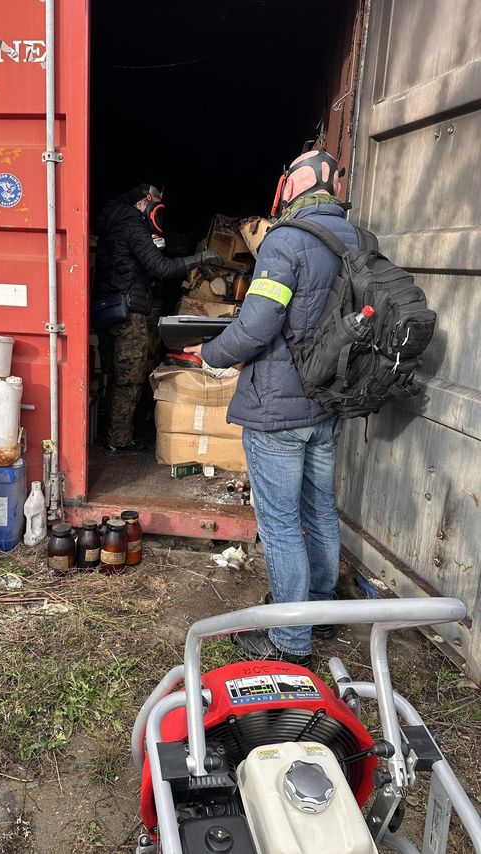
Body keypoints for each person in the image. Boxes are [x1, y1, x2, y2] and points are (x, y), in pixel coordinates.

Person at [186, 150, 358, 667]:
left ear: (293, 187)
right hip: (326, 403)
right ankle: (322, 612)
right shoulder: (355, 240)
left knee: (281, 522)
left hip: (278, 408)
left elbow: (258, 325)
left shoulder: (286, 241)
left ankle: (290, 640)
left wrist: (211, 353)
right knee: (319, 509)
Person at [94, 183, 217, 454]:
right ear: (144, 201)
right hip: (129, 314)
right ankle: (119, 440)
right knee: (129, 379)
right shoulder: (132, 223)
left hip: (108, 310)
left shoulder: (112, 223)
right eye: (156, 204)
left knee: (115, 375)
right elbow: (159, 267)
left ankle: (112, 435)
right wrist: (197, 258)